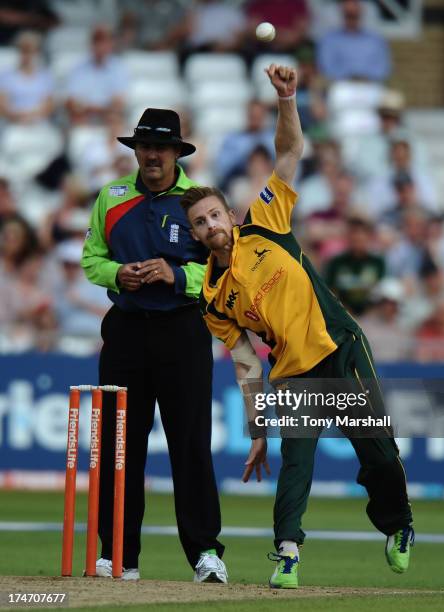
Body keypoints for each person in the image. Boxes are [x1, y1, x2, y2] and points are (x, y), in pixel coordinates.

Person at [180, 65, 414, 589]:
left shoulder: (264, 222)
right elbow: (244, 363)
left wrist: (287, 100)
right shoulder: (214, 298)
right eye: (200, 222)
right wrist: (257, 428)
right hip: (292, 371)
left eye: (215, 215)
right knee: (295, 462)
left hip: (338, 345)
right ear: (195, 235)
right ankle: (287, 553)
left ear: (228, 215)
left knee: (377, 450)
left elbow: (287, 154)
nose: (211, 225)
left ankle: (398, 524)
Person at [81, 108, 227, 582]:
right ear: (136, 151)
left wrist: (178, 274)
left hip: (183, 332)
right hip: (125, 329)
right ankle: (118, 553)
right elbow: (91, 260)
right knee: (118, 446)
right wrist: (117, 274)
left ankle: (205, 552)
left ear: (177, 152)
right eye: (144, 146)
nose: (151, 154)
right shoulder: (113, 197)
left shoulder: (197, 201)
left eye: (161, 147)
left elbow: (225, 269)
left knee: (189, 443)